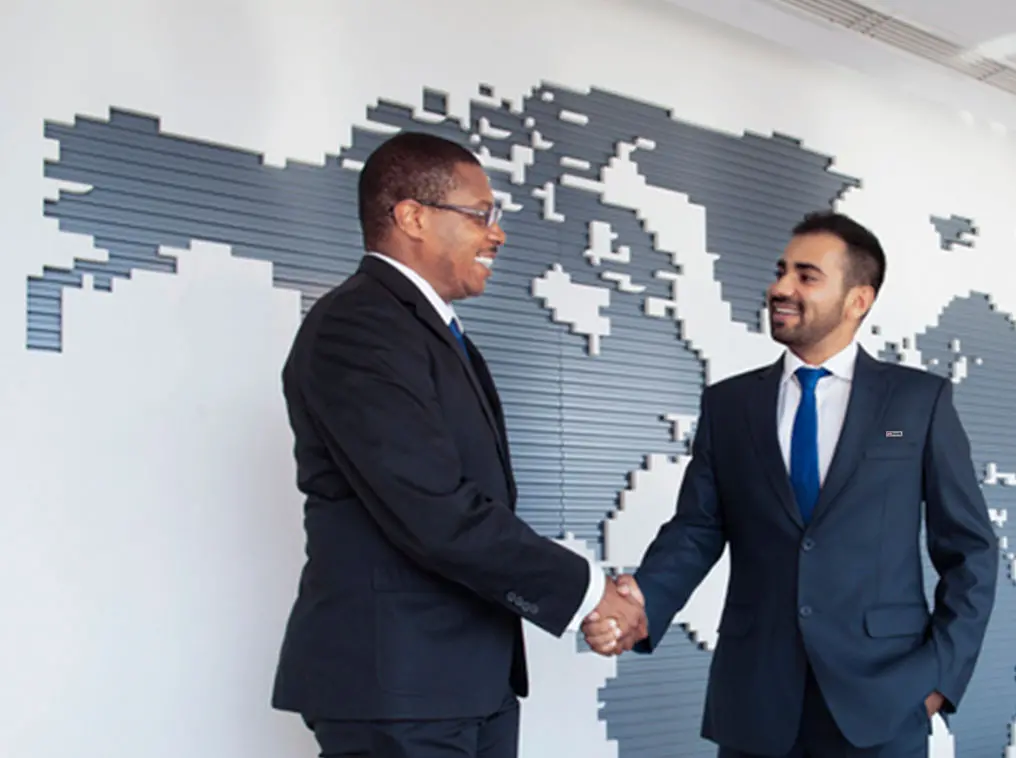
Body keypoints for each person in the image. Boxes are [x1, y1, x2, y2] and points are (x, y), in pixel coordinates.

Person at [270, 131, 643, 758]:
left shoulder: (431, 333)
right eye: (480, 215)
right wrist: (587, 592)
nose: (496, 234)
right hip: (400, 693)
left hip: (464, 684)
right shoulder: (358, 326)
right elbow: (435, 511)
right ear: (412, 216)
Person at [582, 212, 998, 757]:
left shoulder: (919, 402)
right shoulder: (730, 405)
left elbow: (970, 549)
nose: (780, 287)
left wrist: (940, 678)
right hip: (756, 700)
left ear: (858, 300)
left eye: (807, 276)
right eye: (782, 271)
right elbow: (698, 528)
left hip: (884, 699)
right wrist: (643, 603)